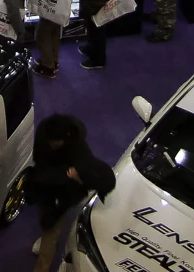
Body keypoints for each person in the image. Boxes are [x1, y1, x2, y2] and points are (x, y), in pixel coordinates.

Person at [26, 115, 115, 272]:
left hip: (64, 194)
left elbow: (99, 178)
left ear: (65, 139)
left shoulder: (79, 153)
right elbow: (40, 161)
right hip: (47, 187)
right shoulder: (45, 134)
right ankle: (47, 234)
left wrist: (77, 178)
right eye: (50, 141)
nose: (52, 144)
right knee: (47, 221)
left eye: (55, 142)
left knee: (52, 229)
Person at [27, 0, 65, 78]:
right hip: (61, 5)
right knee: (54, 34)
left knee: (42, 37)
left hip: (49, 6)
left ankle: (48, 67)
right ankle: (54, 60)